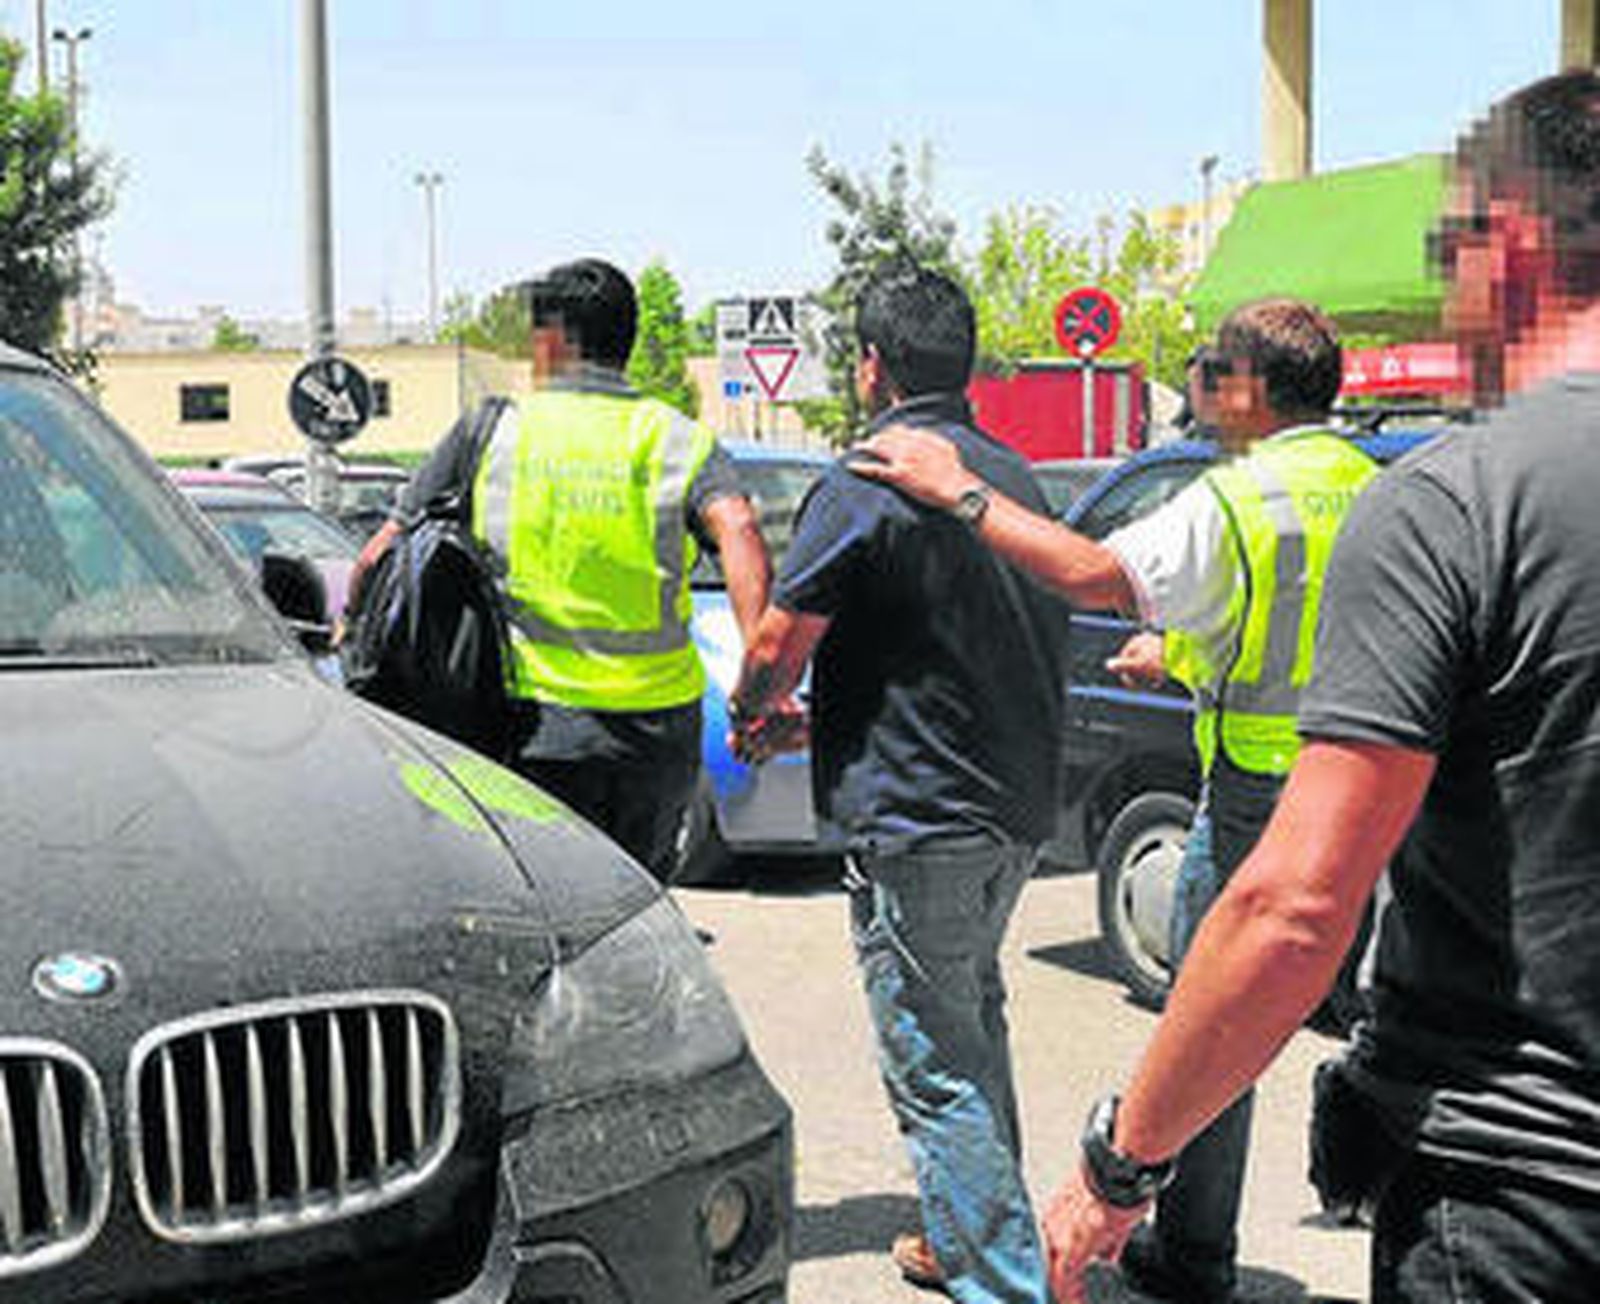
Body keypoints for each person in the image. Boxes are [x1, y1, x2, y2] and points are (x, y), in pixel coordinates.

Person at [1033, 69, 1600, 1304]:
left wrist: (1117, 1163)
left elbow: (1294, 909)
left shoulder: (1458, 500)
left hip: (1525, 1197)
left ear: (1508, 239)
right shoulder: (1391, 486)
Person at [855, 296, 1377, 1302]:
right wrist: (1181, 652)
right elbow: (1308, 628)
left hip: (1261, 797)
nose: (1199, 388)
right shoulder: (1374, 485)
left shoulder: (1239, 496)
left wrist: (959, 489)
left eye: (1210, 371)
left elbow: (1091, 573)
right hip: (1376, 791)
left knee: (1209, 1018)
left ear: (1249, 388)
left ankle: (1190, 1254)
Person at [730, 265, 1068, 1303]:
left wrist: (753, 709)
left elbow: (779, 642)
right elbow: (948, 651)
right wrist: (828, 718)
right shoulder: (1012, 478)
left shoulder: (867, 479)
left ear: (871, 366)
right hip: (1013, 805)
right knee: (971, 1021)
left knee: (934, 1060)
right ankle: (966, 1236)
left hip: (921, 818)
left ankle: (1003, 1282)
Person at [355, 258, 770, 882]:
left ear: (551, 340)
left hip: (530, 729)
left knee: (539, 899)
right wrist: (760, 684)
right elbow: (738, 528)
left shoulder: (492, 432)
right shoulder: (678, 439)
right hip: (656, 735)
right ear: (625, 341)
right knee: (636, 902)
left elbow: (379, 555)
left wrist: (351, 633)